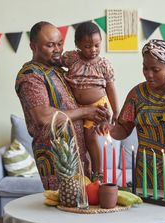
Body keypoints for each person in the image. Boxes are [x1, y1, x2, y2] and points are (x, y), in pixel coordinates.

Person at [15, 21, 109, 190]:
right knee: (64, 213)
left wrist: (100, 113)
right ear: (33, 46)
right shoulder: (30, 76)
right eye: (50, 45)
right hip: (56, 162)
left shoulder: (59, 70)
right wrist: (86, 111)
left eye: (59, 44)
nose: (57, 49)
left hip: (77, 157)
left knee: (85, 212)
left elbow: (85, 96)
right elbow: (43, 117)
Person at [100, 39, 165, 192]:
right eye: (145, 68)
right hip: (145, 172)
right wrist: (109, 129)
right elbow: (123, 129)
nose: (149, 74)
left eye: (155, 69)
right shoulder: (137, 94)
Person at [61, 21, 119, 181]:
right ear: (77, 44)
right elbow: (55, 63)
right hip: (75, 106)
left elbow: (111, 88)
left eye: (96, 45)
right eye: (87, 46)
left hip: (97, 106)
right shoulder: (71, 58)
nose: (93, 50)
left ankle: (98, 172)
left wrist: (116, 110)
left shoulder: (104, 64)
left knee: (90, 137)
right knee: (77, 140)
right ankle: (78, 173)